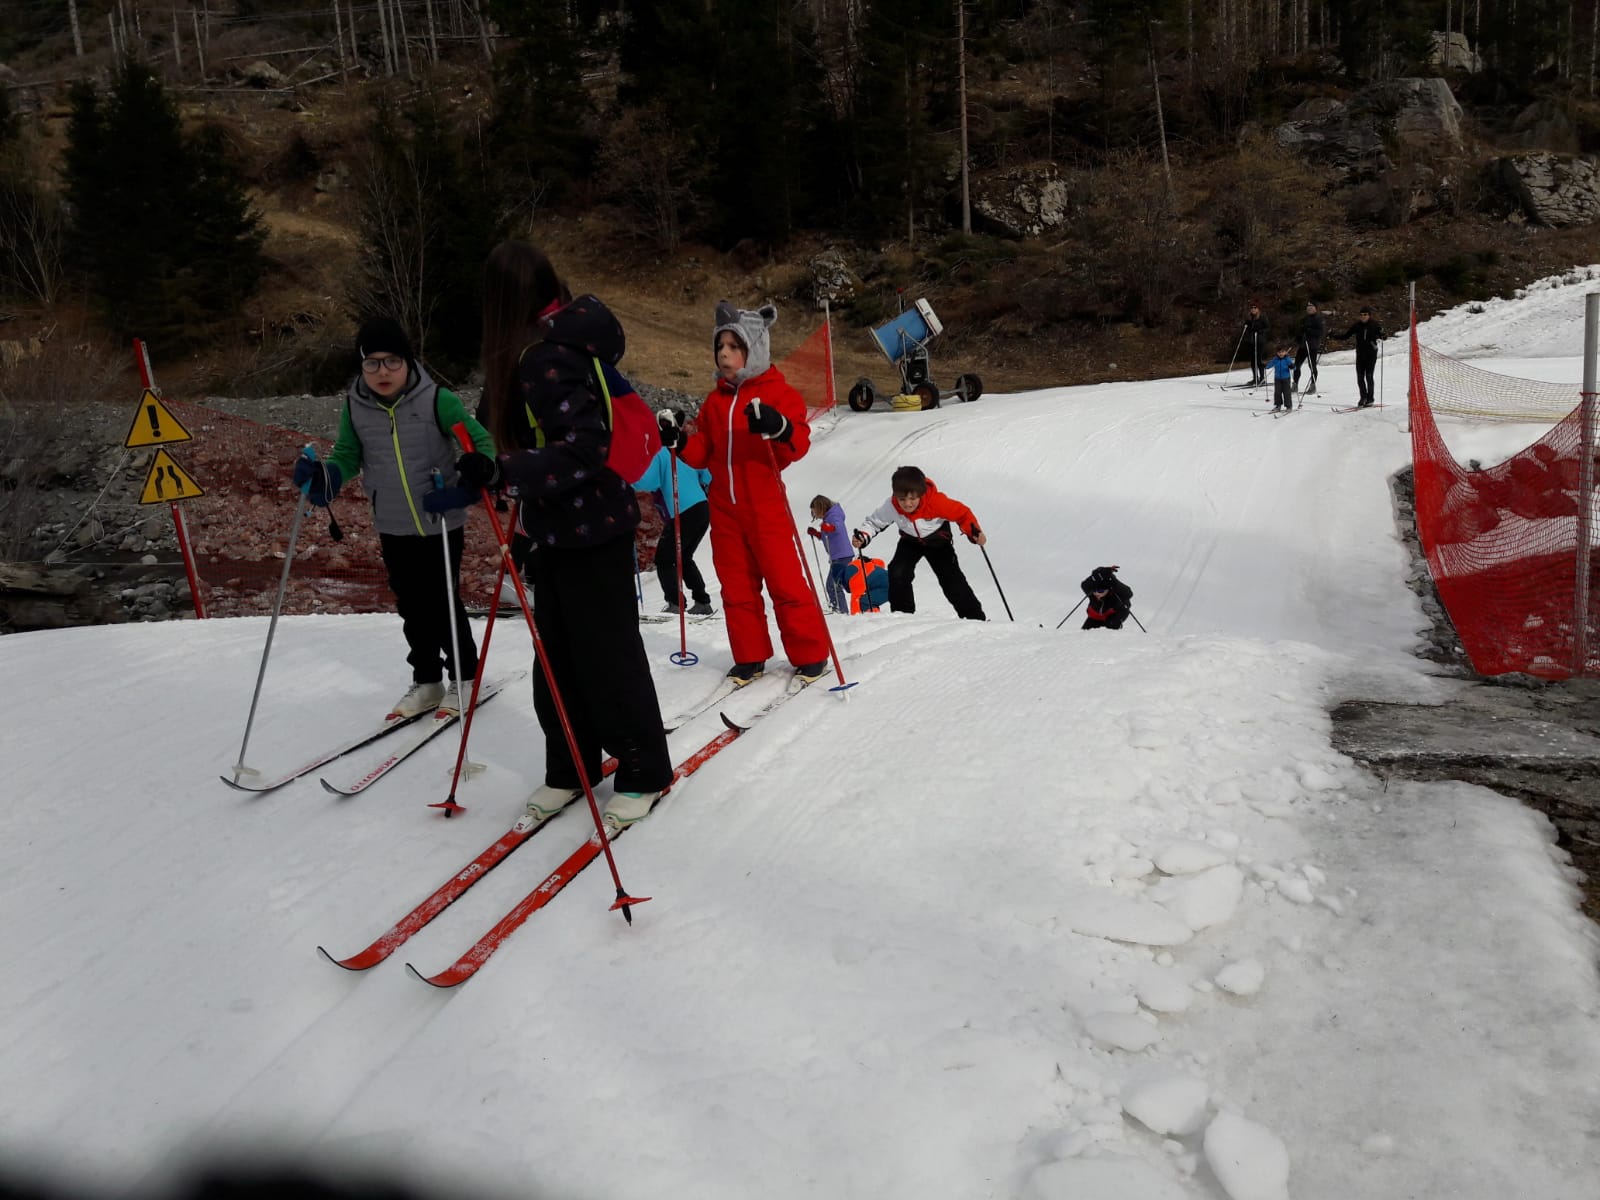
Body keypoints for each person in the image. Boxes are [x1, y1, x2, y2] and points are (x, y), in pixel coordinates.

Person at [457, 240, 672, 833]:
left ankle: (645, 771)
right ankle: (571, 767)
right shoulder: (534, 348)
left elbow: (585, 448)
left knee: (609, 658)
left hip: (595, 530)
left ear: (504, 301)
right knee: (555, 659)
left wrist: (505, 473)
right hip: (551, 530)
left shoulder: (548, 355)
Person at [291, 315, 493, 720]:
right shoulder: (355, 405)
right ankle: (427, 679)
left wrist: (473, 475)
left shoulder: (439, 400)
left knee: (442, 601)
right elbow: (348, 455)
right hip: (392, 520)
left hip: (439, 518)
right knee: (411, 604)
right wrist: (325, 479)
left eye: (392, 362)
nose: (382, 372)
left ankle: (465, 677)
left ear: (408, 361)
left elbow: (480, 443)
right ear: (361, 366)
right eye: (372, 363)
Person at [675, 301, 832, 686]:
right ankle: (750, 656)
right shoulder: (715, 402)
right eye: (720, 347)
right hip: (725, 511)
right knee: (736, 585)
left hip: (765, 506)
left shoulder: (777, 393)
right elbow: (704, 452)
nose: (724, 354)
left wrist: (778, 427)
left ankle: (810, 653)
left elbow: (798, 443)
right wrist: (679, 442)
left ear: (754, 350)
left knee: (784, 580)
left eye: (734, 346)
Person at [851, 465, 987, 620]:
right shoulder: (892, 506)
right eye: (902, 499)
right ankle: (902, 616)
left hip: (937, 541)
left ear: (921, 494)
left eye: (912, 499)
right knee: (897, 572)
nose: (907, 504)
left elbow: (962, 514)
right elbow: (875, 522)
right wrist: (862, 536)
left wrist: (975, 532)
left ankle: (975, 618)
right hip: (910, 541)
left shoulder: (936, 502)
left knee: (951, 579)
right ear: (896, 495)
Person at [634, 412, 714, 614]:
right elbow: (706, 474)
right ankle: (702, 601)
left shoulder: (660, 452)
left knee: (664, 557)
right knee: (684, 556)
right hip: (702, 508)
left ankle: (675, 603)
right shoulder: (682, 450)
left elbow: (648, 482)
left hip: (684, 509)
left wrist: (629, 476)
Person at [1330, 306, 1386, 407]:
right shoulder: (1357, 326)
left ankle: (1370, 399)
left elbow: (1383, 336)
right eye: (1361, 315)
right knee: (1360, 377)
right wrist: (1333, 335)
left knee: (1369, 376)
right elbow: (1346, 336)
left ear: (1369, 315)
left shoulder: (1374, 325)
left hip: (1371, 354)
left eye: (1365, 315)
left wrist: (1382, 334)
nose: (1363, 316)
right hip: (1360, 354)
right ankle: (1363, 397)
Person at [808, 494, 854, 613]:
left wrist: (829, 527)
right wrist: (817, 534)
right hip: (839, 556)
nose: (815, 515)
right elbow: (828, 536)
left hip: (842, 555)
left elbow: (837, 528)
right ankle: (839, 608)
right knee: (834, 585)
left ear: (820, 507)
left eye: (815, 511)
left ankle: (840, 610)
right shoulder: (828, 518)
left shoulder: (834, 515)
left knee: (833, 585)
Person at [1080, 565, 1133, 630]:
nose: (1097, 593)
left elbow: (1129, 593)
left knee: (1109, 628)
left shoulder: (1115, 593)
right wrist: (1097, 575)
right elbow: (1084, 585)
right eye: (1094, 590)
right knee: (1084, 632)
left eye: (1100, 591)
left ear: (1108, 590)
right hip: (1095, 617)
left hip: (1112, 617)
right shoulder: (1092, 594)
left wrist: (1113, 581)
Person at [1294, 300, 1326, 395]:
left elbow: (1321, 333)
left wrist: (1309, 330)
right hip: (1303, 345)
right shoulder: (1304, 319)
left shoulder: (1319, 319)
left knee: (1312, 366)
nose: (1309, 309)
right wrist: (1298, 338)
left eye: (1311, 307)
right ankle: (1295, 384)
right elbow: (1300, 331)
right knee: (1296, 365)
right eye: (1308, 307)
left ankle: (1312, 385)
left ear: (1316, 308)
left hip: (1312, 346)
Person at [1244, 302, 1270, 386]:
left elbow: (1267, 328)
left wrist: (1261, 331)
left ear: (1258, 309)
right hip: (1251, 341)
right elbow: (1247, 328)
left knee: (1258, 360)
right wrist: (1245, 327)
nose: (1253, 309)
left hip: (1260, 341)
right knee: (1252, 361)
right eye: (1251, 308)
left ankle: (1262, 378)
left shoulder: (1262, 318)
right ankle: (1255, 378)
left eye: (1255, 308)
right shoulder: (1249, 318)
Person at [1268, 345, 1295, 412]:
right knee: (1277, 392)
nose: (1281, 353)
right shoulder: (1275, 359)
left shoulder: (1287, 359)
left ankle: (1289, 406)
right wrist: (1265, 365)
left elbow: (1294, 367)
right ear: (1277, 353)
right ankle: (1278, 406)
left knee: (1287, 392)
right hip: (1277, 379)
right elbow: (1269, 365)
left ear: (1285, 352)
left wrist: (1292, 366)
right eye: (1279, 352)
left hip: (1286, 378)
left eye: (1282, 352)